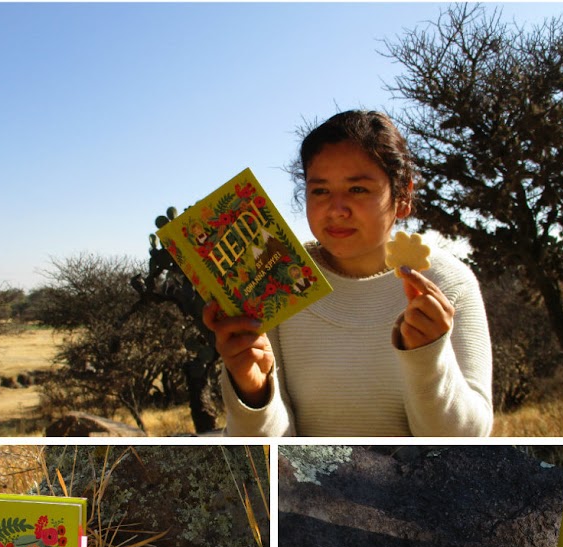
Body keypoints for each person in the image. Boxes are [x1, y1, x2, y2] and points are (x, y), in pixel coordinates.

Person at [202, 109, 493, 437]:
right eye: (321, 191)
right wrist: (253, 394)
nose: (336, 209)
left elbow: (470, 440)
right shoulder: (278, 279)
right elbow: (271, 451)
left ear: (403, 196)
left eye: (358, 190)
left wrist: (428, 358)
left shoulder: (449, 283)